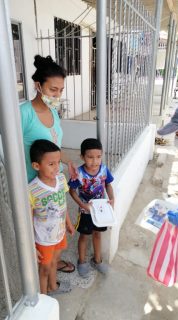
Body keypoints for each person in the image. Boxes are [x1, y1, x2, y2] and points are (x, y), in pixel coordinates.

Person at [20, 54, 75, 272]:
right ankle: (42, 270)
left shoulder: (53, 111)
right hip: (34, 185)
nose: (58, 95)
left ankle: (53, 260)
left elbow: (55, 146)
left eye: (61, 90)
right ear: (38, 86)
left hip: (54, 180)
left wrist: (67, 162)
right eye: (53, 89)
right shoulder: (23, 113)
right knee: (39, 229)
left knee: (55, 222)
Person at [29, 139, 75, 294]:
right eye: (51, 164)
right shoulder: (32, 190)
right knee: (44, 270)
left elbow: (63, 205)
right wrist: (31, 246)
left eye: (58, 162)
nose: (57, 167)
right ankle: (43, 298)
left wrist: (68, 223)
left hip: (59, 233)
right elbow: (28, 220)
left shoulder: (61, 179)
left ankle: (53, 287)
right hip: (43, 240)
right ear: (36, 166)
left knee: (55, 261)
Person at [68, 138, 115, 277]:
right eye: (90, 157)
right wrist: (82, 205)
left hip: (101, 211)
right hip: (85, 212)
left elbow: (108, 185)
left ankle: (97, 260)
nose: (95, 161)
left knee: (97, 234)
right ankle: (82, 261)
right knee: (84, 236)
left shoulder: (104, 169)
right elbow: (72, 191)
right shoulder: (79, 174)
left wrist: (112, 199)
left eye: (98, 157)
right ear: (82, 156)